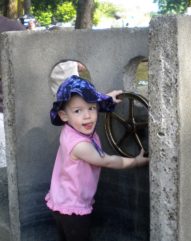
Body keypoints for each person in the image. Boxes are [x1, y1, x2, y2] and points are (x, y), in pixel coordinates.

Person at [45, 75, 149, 241]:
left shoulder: (72, 124)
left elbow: (85, 106)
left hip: (62, 198)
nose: (87, 116)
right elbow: (107, 160)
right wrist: (135, 162)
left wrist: (106, 98)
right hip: (72, 208)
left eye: (92, 108)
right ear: (64, 115)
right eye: (78, 111)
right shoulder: (80, 146)